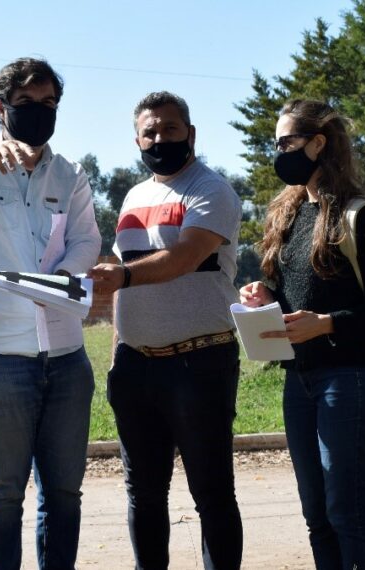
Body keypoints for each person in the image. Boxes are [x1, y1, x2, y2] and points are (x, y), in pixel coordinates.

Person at [0, 58, 101, 570]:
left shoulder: (69, 173)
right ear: (0, 107)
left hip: (65, 352)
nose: (39, 112)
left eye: (49, 104)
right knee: (2, 491)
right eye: (27, 104)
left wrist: (51, 286)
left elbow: (85, 241)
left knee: (64, 493)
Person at [238, 99, 365, 569]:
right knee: (316, 514)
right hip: (301, 380)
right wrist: (264, 296)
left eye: (286, 142)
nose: (279, 152)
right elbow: (296, 291)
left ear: (318, 143)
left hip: (349, 380)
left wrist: (326, 324)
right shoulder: (289, 213)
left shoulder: (359, 216)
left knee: (345, 511)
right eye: (275, 143)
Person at [87, 91, 244, 570]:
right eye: (150, 132)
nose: (160, 139)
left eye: (170, 129)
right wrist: (117, 355)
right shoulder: (134, 198)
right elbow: (123, 288)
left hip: (199, 363)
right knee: (144, 494)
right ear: (137, 139)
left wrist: (124, 276)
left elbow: (184, 257)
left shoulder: (210, 189)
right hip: (136, 366)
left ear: (191, 134)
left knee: (211, 491)